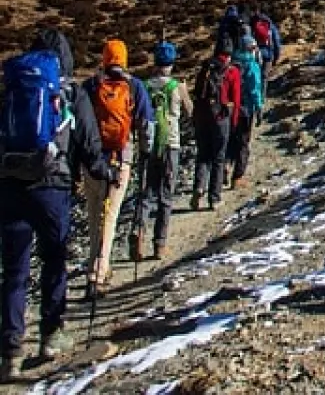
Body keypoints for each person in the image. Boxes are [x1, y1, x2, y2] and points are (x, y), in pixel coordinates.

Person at [0, 29, 111, 380]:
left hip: (11, 186)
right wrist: (102, 172)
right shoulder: (71, 93)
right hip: (53, 187)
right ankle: (50, 336)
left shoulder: (14, 89)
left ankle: (10, 351)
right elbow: (90, 143)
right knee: (54, 260)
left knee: (14, 271)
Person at [80, 39, 153, 298]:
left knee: (94, 214)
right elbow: (146, 124)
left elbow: (79, 123)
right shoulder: (134, 86)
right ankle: (97, 275)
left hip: (92, 161)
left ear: (104, 58)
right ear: (124, 59)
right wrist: (146, 150)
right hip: (120, 159)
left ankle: (98, 265)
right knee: (108, 217)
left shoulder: (90, 87)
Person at [131, 41, 192, 262]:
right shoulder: (177, 87)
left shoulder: (144, 87)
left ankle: (138, 234)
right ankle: (159, 244)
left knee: (145, 193)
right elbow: (189, 111)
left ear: (155, 63)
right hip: (170, 144)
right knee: (166, 195)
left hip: (147, 146)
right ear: (172, 63)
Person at [191, 38, 241, 211]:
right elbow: (236, 98)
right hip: (220, 118)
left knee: (203, 154)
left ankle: (198, 187)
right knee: (219, 158)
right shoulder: (232, 72)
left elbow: (197, 94)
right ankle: (214, 197)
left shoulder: (206, 68)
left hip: (203, 117)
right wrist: (234, 121)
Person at [228, 35, 263, 190]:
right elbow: (254, 89)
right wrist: (258, 107)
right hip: (245, 108)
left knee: (230, 140)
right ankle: (238, 176)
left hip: (228, 108)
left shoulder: (231, 63)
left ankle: (225, 166)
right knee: (243, 142)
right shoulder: (251, 66)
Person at [247, 5, 281, 82]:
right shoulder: (270, 25)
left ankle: (254, 93)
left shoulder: (252, 23)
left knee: (254, 77)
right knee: (264, 77)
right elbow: (276, 42)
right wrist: (276, 58)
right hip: (268, 54)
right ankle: (262, 93)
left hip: (255, 53)